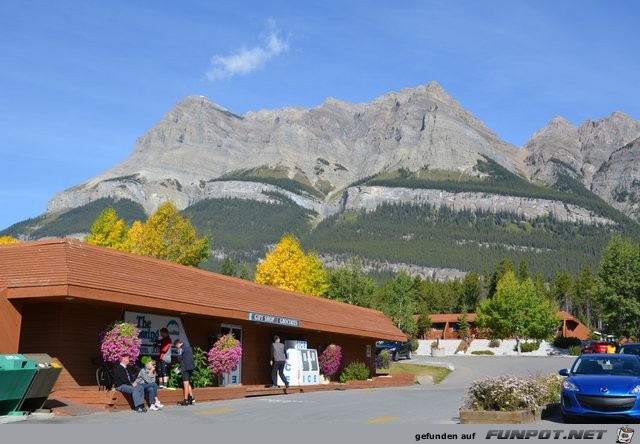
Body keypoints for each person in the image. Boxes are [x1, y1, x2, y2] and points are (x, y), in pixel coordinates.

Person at [174, 339, 195, 406]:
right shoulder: (189, 347)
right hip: (191, 367)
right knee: (188, 382)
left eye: (176, 346)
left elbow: (179, 359)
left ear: (178, 344)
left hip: (185, 368)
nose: (177, 348)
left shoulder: (181, 349)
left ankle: (185, 400)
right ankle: (191, 398)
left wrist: (179, 367)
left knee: (185, 383)